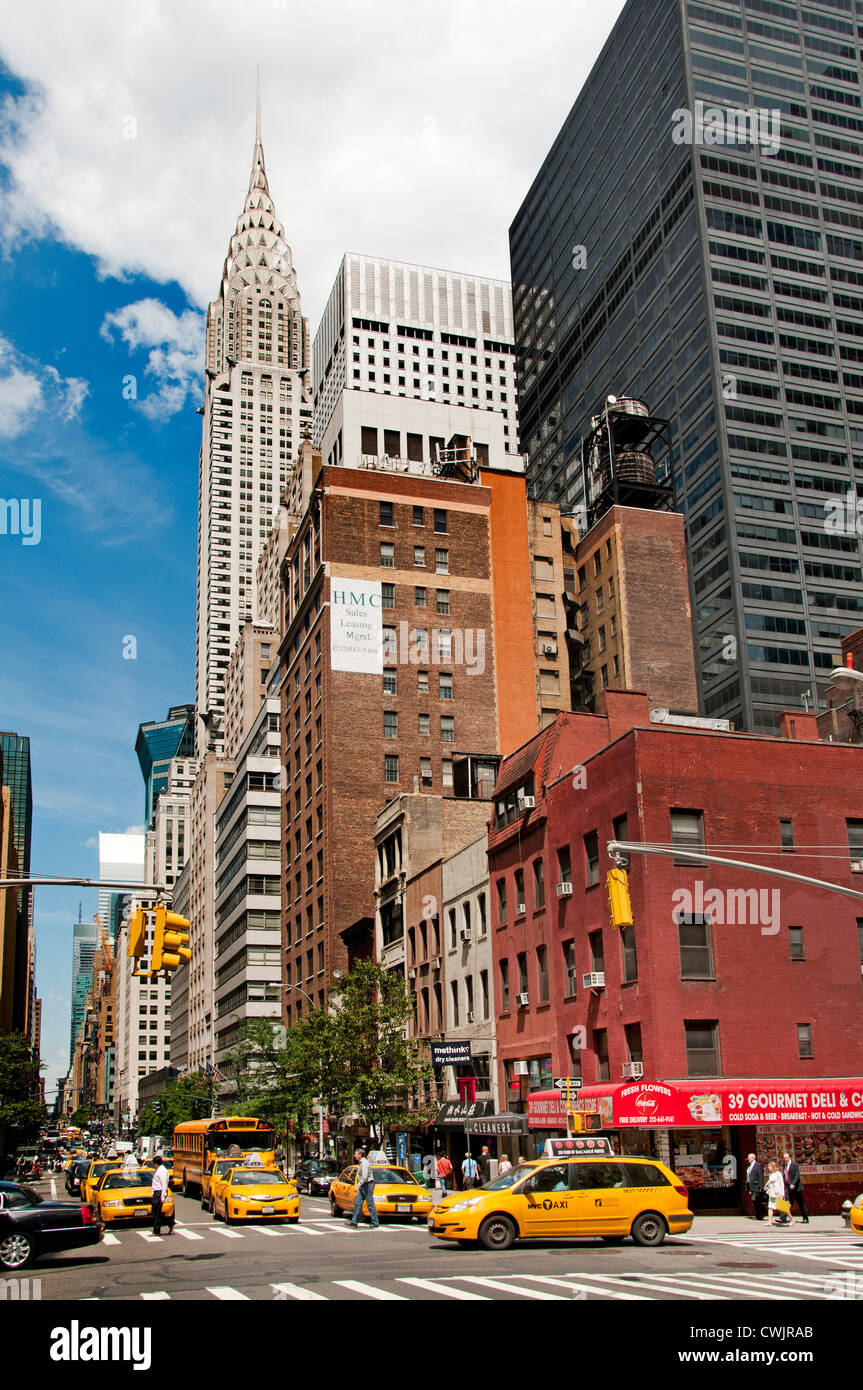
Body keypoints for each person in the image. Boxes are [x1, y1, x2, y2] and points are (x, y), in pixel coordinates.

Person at [350, 1149, 379, 1228]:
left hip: (368, 1185)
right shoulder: (361, 1163)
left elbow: (365, 1177)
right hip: (364, 1185)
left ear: (360, 1155)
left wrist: (358, 1185)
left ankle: (375, 1222)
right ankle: (354, 1221)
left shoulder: (365, 1163)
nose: (354, 1155)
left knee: (369, 1203)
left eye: (355, 1154)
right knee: (358, 1202)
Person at [150, 1154, 173, 1236]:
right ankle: (169, 1222)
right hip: (157, 1192)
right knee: (155, 1211)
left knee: (156, 1212)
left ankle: (156, 1231)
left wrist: (163, 1196)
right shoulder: (159, 1170)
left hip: (160, 1192)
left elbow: (164, 1184)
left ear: (156, 1163)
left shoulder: (162, 1171)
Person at [783, 1151, 809, 1223]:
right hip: (788, 1187)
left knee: (800, 1203)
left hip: (796, 1187)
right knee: (787, 1202)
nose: (785, 1159)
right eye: (784, 1158)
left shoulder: (794, 1165)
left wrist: (793, 1183)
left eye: (787, 1158)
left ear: (789, 1157)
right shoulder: (784, 1165)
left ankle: (805, 1218)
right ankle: (783, 1218)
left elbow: (797, 1175)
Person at [745, 1152, 767, 1220]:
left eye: (749, 1157)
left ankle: (760, 1214)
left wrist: (761, 1186)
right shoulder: (749, 1167)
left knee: (757, 1201)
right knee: (755, 1201)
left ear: (753, 1158)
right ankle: (759, 1214)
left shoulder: (758, 1165)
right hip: (751, 1187)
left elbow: (761, 1176)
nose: (748, 1159)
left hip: (756, 1186)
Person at [765, 1161, 787, 1227]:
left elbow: (782, 1184)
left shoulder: (778, 1174)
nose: (768, 1167)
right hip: (772, 1193)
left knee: (782, 1207)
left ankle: (791, 1219)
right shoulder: (771, 1174)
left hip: (778, 1193)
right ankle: (769, 1221)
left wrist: (782, 1194)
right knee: (770, 1207)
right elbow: (769, 1183)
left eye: (769, 1166)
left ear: (773, 1166)